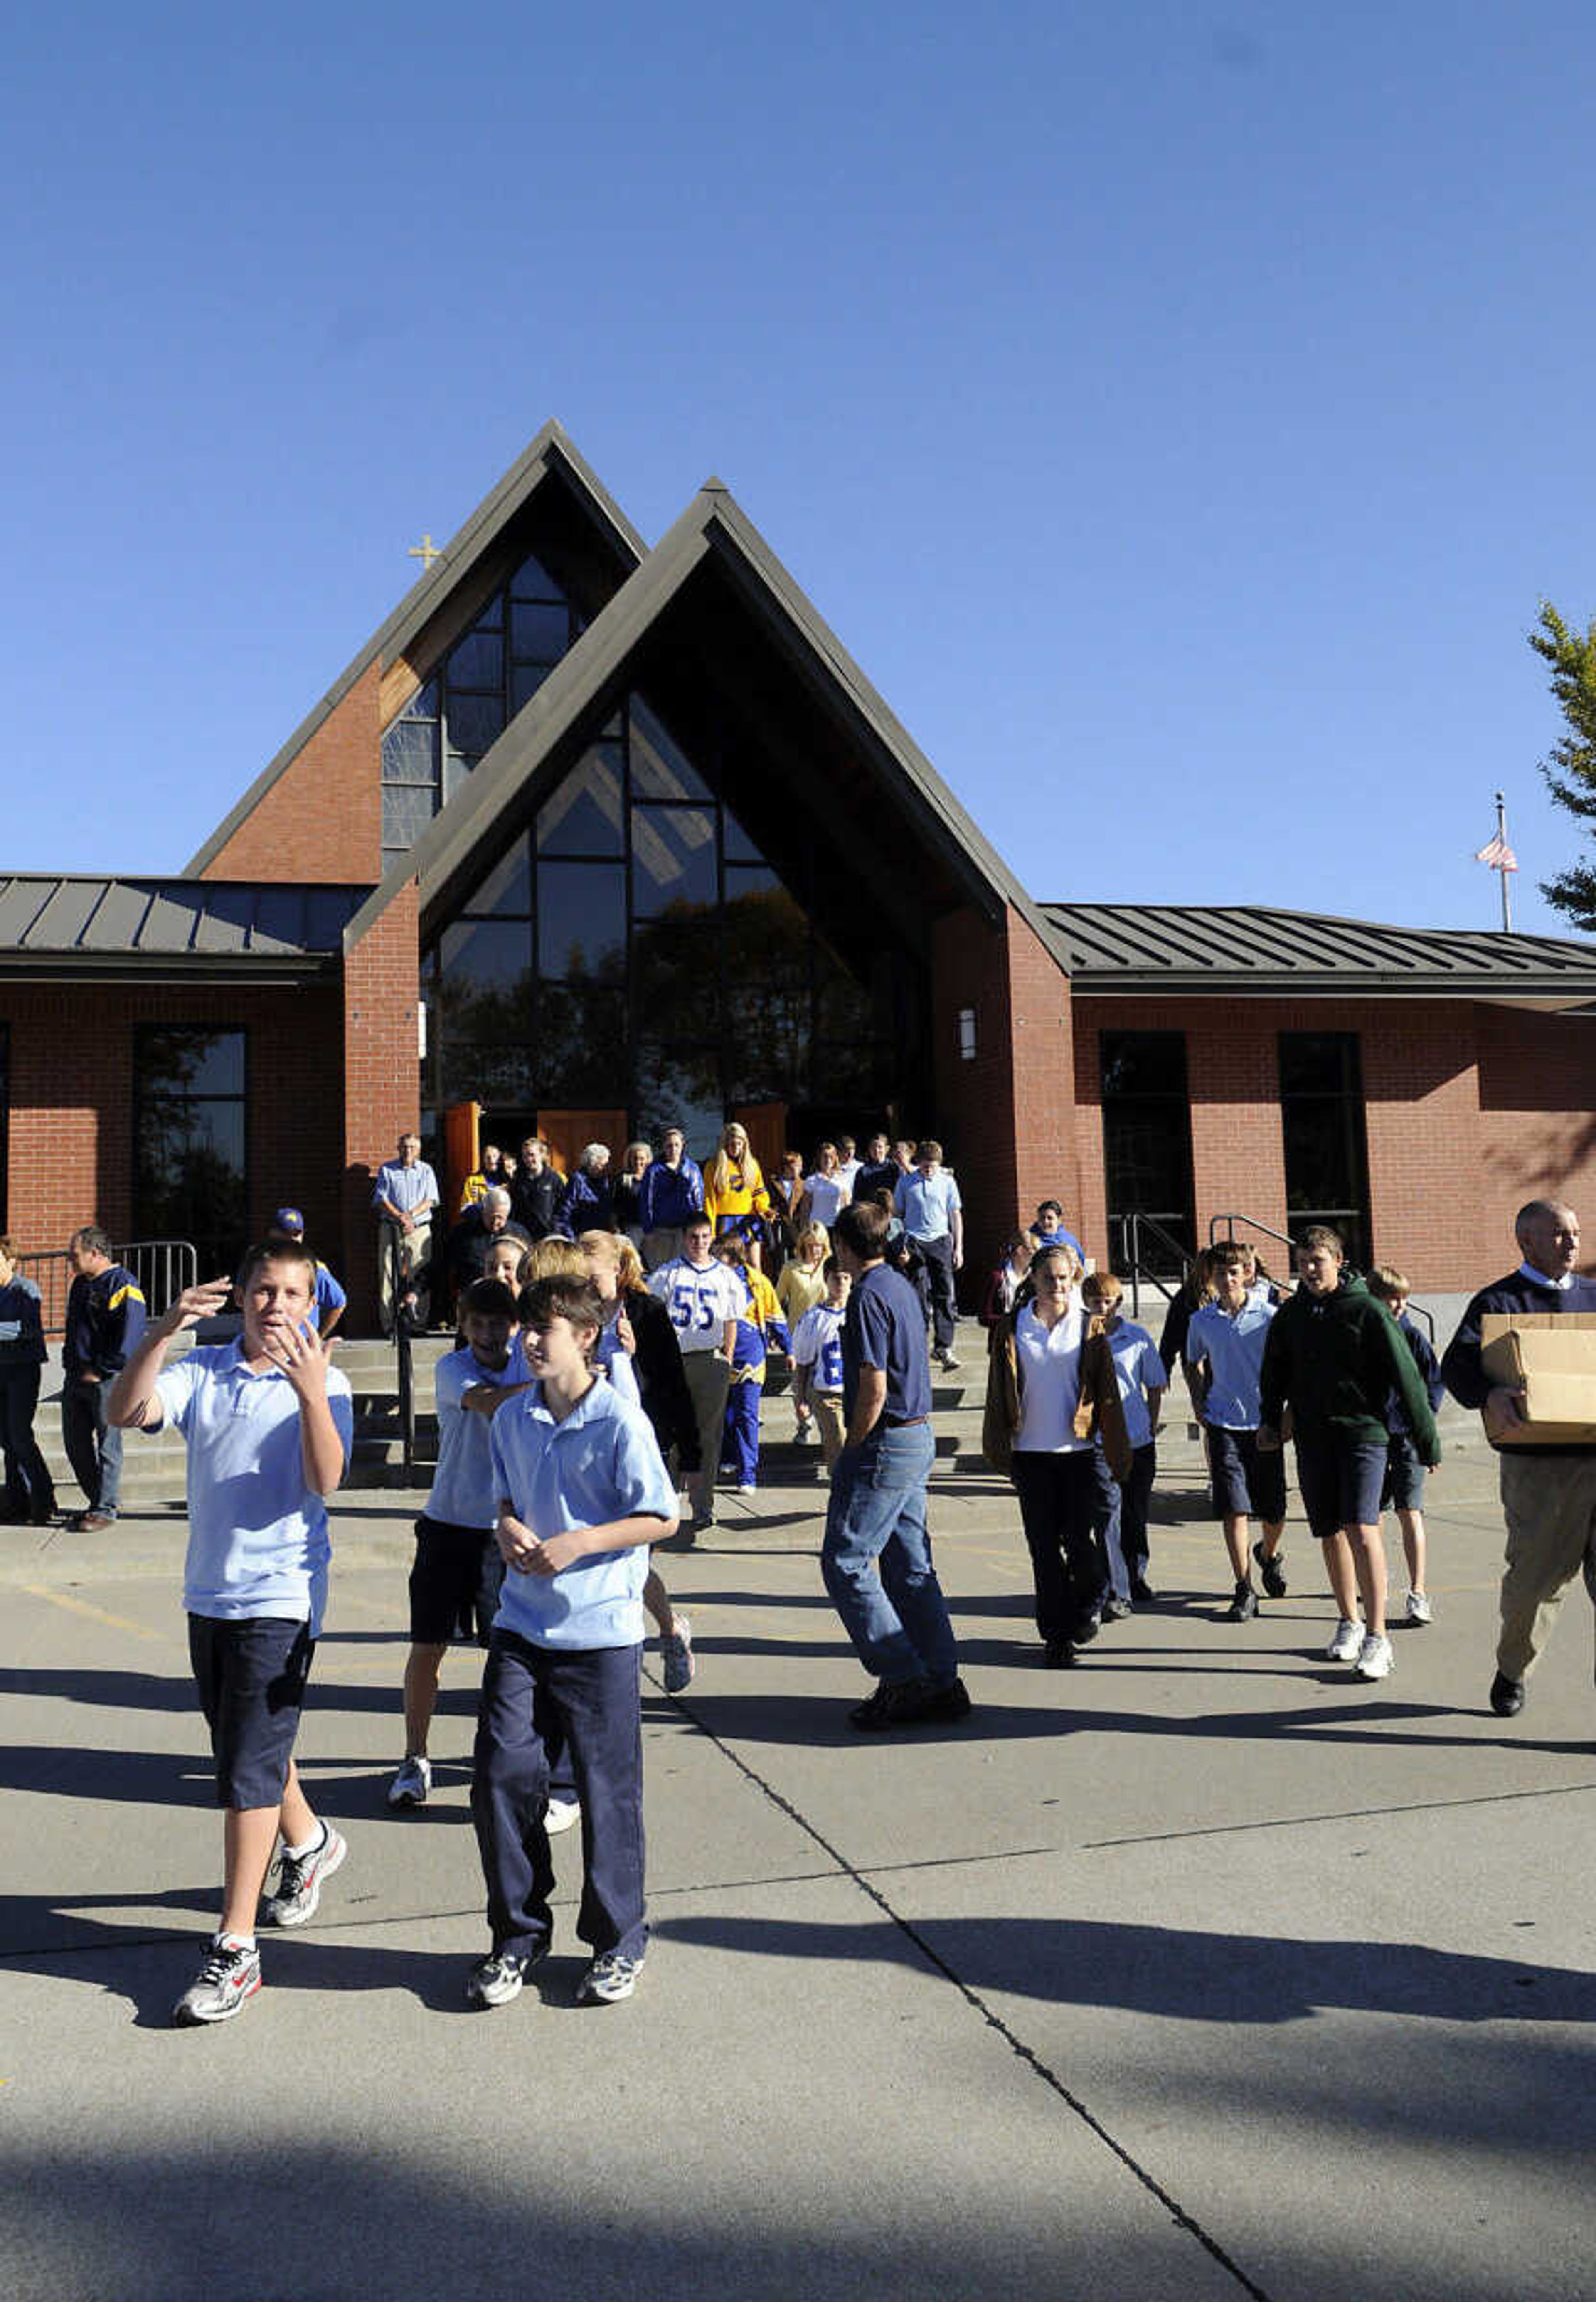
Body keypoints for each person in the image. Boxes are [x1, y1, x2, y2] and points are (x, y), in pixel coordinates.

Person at [106, 1240, 355, 2026]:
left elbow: (327, 1479)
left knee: (246, 1767)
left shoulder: (329, 1379)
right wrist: (162, 1330)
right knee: (245, 1743)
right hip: (208, 1593)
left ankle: (236, 1947)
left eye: (294, 1293)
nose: (278, 1305)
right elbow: (123, 1411)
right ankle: (311, 1841)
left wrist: (311, 1393)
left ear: (312, 1303)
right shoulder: (204, 1372)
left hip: (281, 1596)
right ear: (240, 1296)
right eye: (265, 1290)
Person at [467, 1272, 677, 2010]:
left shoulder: (621, 1421)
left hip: (600, 1633)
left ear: (585, 1337)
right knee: (500, 1772)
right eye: (527, 1327)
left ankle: (619, 1940)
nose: (528, 1339)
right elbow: (503, 1497)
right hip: (522, 1625)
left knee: (606, 1789)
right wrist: (508, 1524)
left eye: (543, 1329)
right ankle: (517, 1935)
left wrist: (581, 1542)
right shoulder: (513, 1418)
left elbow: (661, 1517)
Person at [1258, 1226, 1440, 1683]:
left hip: (1365, 1434)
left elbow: (1408, 1378)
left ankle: (1379, 1636)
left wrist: (1425, 1437)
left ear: (1339, 1261)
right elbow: (1274, 1372)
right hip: (1314, 1437)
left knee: (1362, 1526)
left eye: (1317, 1260)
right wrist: (1268, 1419)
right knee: (1329, 1531)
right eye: (1302, 1261)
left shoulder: (1367, 1310)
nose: (1309, 1269)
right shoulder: (1291, 1315)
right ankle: (1350, 1622)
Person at [1440, 1198, 1596, 1717]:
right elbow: (1458, 1367)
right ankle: (1513, 1669)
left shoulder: (1595, 1297)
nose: (1572, 1242)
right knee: (1534, 1586)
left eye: (1575, 1232)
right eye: (1558, 1234)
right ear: (1526, 1242)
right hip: (1540, 1469)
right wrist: (1489, 1394)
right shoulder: (1500, 1302)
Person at [821, 1200, 969, 1728]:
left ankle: (903, 1676)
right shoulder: (900, 1285)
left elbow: (874, 1386)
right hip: (917, 1435)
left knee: (845, 1561)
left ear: (843, 1245)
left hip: (888, 1439)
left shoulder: (866, 1295)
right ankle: (941, 1679)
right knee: (909, 1567)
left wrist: (850, 1448)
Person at [387, 1277, 524, 1810]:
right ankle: (415, 1757)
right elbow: (488, 1404)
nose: (488, 1333)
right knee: (428, 1647)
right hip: (447, 1527)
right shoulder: (454, 1368)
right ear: (463, 1326)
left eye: (498, 1323)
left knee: (506, 1656)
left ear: (514, 1325)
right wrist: (550, 1382)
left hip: (502, 1533)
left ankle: (498, 1757)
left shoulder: (524, 1362)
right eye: (478, 1323)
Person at [983, 1244, 1128, 1665]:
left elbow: (1108, 1396)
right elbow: (998, 1392)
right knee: (1044, 1549)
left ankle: (1089, 1605)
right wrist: (999, 1445)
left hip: (1079, 1453)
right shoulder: (1013, 1328)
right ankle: (1056, 1636)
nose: (1058, 1286)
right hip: (1031, 1454)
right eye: (1050, 1278)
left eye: (1065, 1279)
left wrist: (1118, 1450)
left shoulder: (1089, 1328)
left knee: (1085, 1545)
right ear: (1034, 1280)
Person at [580, 1231, 698, 1693]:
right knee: (614, 1557)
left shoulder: (647, 1313)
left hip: (642, 1445)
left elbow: (671, 1382)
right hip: (589, 1448)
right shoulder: (578, 1314)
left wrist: (692, 1451)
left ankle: (668, 1633)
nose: (587, 1287)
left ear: (617, 1269)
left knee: (632, 1555)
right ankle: (622, 1655)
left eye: (593, 1278)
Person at [1184, 1242, 1287, 1623]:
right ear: (1209, 1278)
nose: (1227, 1280)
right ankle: (1244, 1587)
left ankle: (1269, 1555)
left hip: (1264, 1423)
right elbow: (1192, 1360)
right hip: (1223, 1423)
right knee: (1234, 1506)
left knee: (1274, 1509)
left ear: (1249, 1274)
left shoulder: (1270, 1317)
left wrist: (1282, 1415)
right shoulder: (1202, 1321)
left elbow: (1286, 1368)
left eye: (1234, 1272)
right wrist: (1200, 1401)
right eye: (1219, 1273)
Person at [647, 1213, 741, 1531]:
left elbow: (732, 1319)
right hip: (675, 1360)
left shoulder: (726, 1276)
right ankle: (668, 1500)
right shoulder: (667, 1275)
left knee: (708, 1437)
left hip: (710, 1360)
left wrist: (727, 1358)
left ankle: (703, 1504)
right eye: (694, 1237)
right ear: (684, 1238)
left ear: (712, 1238)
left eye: (705, 1237)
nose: (700, 1243)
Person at [1080, 1271, 1165, 1610]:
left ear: (1119, 1302)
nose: (1102, 1307)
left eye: (1108, 1301)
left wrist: (1152, 1422)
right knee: (1107, 1514)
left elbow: (1155, 1384)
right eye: (1095, 1301)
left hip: (1138, 1437)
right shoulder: (1080, 1339)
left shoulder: (1138, 1337)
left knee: (1136, 1512)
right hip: (1100, 1440)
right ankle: (1116, 1590)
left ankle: (1135, 1573)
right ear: (1085, 1303)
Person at [1367, 1265, 1445, 1626]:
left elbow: (1433, 1384)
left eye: (1404, 1298)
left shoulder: (1413, 1337)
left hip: (1408, 1437)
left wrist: (1424, 1428)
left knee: (1409, 1511)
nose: (1399, 1305)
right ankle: (1378, 1578)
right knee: (1375, 1514)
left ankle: (1418, 1591)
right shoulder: (1365, 1334)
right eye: (1392, 1298)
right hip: (1373, 1437)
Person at [61, 1225, 146, 1531]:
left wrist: (101, 1369)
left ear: (95, 1253)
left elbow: (131, 1337)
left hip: (105, 1380)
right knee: (75, 1443)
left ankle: (105, 1509)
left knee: (108, 1445)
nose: (71, 1262)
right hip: (74, 1378)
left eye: (75, 1256)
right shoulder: (81, 1285)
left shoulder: (124, 1284)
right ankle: (97, 1501)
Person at [711, 1236, 790, 1495]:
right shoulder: (711, 1280)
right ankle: (728, 1458)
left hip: (750, 1360)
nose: (713, 1259)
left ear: (733, 1257)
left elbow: (776, 1317)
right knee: (724, 1416)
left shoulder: (758, 1282)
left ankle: (748, 1474)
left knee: (747, 1416)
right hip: (718, 1357)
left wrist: (788, 1349)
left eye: (719, 1254)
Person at [894, 1140, 963, 1370]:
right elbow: (898, 1214)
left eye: (933, 1166)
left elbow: (955, 1215)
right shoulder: (906, 1182)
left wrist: (958, 1248)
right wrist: (902, 1246)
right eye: (925, 1166)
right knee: (918, 1291)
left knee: (944, 1294)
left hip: (941, 1240)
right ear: (918, 1163)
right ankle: (918, 1344)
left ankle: (943, 1346)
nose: (929, 1170)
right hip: (915, 1240)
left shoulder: (948, 1182)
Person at [0, 1236, 54, 1523]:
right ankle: (16, 1501)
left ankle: (43, 1499)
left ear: (11, 1262)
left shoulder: (25, 1290)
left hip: (23, 1369)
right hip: (2, 1370)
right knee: (7, 1439)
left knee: (20, 1435)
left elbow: (29, 1328)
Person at [372, 1132, 440, 1336]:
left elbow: (430, 1200)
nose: (408, 1151)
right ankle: (390, 1325)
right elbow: (382, 1199)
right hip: (391, 1228)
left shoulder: (427, 1171)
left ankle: (418, 1324)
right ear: (398, 1148)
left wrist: (410, 1217)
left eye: (412, 1147)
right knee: (387, 1275)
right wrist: (401, 1217)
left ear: (418, 1150)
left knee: (420, 1275)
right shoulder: (387, 1170)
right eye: (404, 1147)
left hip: (419, 1229)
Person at [790, 1257, 852, 1470]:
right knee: (838, 1441)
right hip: (827, 1392)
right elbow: (803, 1363)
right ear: (826, 1280)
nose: (841, 1284)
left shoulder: (860, 1312)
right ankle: (841, 1493)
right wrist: (800, 1398)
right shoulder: (814, 1318)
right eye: (836, 1278)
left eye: (846, 1278)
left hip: (857, 1390)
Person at [777, 1223, 831, 1437]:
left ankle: (825, 1424)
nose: (816, 1250)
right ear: (803, 1245)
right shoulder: (790, 1268)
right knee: (799, 1385)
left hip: (826, 1334)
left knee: (822, 1384)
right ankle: (804, 1424)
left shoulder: (832, 1267)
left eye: (820, 1245)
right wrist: (778, 1331)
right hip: (798, 1335)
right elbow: (777, 1300)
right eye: (811, 1245)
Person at [704, 1123, 772, 1268]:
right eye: (731, 1144)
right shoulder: (713, 1166)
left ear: (745, 1144)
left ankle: (756, 1292)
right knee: (725, 1267)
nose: (736, 1148)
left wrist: (765, 1209)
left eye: (739, 1144)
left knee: (754, 1267)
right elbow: (709, 1200)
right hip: (724, 1223)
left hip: (749, 1222)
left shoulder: (753, 1165)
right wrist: (710, 1230)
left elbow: (759, 1193)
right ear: (725, 1144)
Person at [270, 1208, 346, 1337]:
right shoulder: (259, 1266)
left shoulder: (314, 1269)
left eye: (296, 1234)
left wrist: (319, 1336)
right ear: (273, 1233)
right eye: (285, 1233)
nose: (291, 1239)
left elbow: (339, 1303)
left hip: (301, 1348)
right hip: (266, 1344)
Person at [448, 1188, 532, 1291]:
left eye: (500, 1218)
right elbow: (445, 1262)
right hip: (473, 1293)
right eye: (491, 1217)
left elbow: (530, 1267)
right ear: (483, 1211)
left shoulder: (519, 1234)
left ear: (508, 1214)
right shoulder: (463, 1233)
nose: (495, 1222)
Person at [509, 1135, 563, 1242]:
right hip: (523, 1235)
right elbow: (513, 1208)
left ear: (542, 1155)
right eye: (525, 1156)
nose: (529, 1159)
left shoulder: (554, 1179)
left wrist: (555, 1230)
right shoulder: (518, 1180)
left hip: (548, 1235)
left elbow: (562, 1208)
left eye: (532, 1155)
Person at [559, 1143, 615, 1234]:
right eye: (603, 1165)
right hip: (581, 1235)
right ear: (592, 1163)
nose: (606, 1168)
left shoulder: (606, 1181)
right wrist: (571, 1238)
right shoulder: (577, 1180)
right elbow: (565, 1211)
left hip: (602, 1236)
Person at [796, 1141, 850, 1235]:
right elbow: (805, 1209)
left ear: (835, 1158)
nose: (828, 1160)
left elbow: (846, 1206)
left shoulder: (843, 1179)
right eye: (825, 1156)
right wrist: (804, 1231)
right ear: (819, 1158)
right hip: (816, 1229)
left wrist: (847, 1228)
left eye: (831, 1156)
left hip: (837, 1227)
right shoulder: (811, 1180)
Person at [979, 1234, 1034, 1327]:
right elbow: (984, 1317)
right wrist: (1010, 1321)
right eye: (1033, 1250)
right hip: (1005, 1338)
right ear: (1020, 1250)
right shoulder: (998, 1278)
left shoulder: (1036, 1278)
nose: (1036, 1254)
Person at [612, 1141, 651, 1248]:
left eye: (642, 1159)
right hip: (631, 1228)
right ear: (629, 1160)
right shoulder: (623, 1180)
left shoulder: (654, 1178)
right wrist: (616, 1228)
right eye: (635, 1159)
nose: (638, 1162)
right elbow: (616, 1207)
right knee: (632, 1260)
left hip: (652, 1229)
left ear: (648, 1160)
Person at [1029, 1200, 1086, 1264]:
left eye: (1050, 1218)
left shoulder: (1069, 1241)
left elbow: (1081, 1264)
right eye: (1042, 1218)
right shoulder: (1030, 1240)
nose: (1046, 1222)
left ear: (1059, 1220)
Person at [459, 1143, 508, 1213]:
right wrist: (483, 1205)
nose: (491, 1161)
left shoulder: (508, 1181)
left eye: (495, 1156)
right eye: (488, 1157)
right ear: (483, 1160)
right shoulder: (473, 1180)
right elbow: (465, 1209)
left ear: (500, 1159)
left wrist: (483, 1196)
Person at [854, 1133, 899, 1208]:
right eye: (873, 1147)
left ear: (887, 1149)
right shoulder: (863, 1171)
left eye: (880, 1147)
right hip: (871, 1213)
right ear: (869, 1149)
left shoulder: (895, 1168)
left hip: (891, 1212)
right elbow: (858, 1198)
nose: (877, 1150)